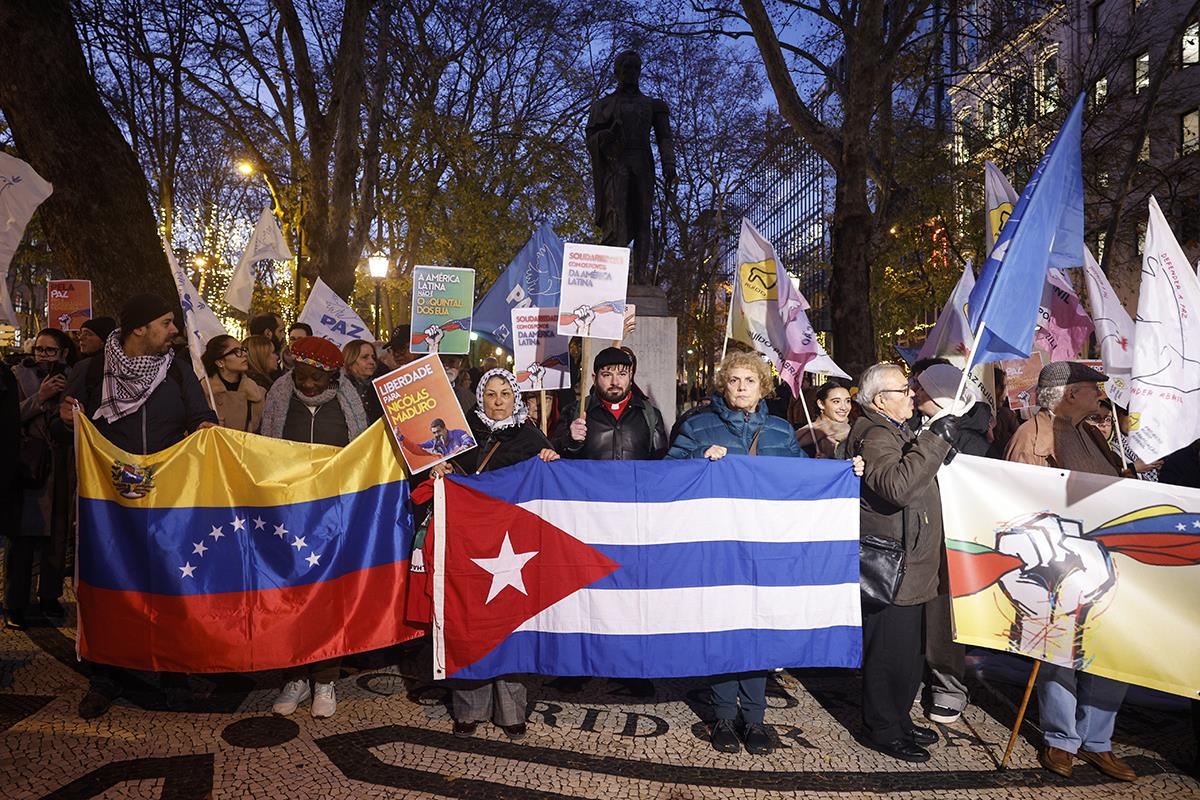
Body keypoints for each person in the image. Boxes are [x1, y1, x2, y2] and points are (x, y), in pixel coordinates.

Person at [58, 293, 219, 718]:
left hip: (170, 504)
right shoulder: (91, 372)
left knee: (170, 586)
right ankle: (106, 675)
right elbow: (64, 428)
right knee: (110, 587)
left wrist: (205, 426)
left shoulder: (179, 374)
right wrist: (63, 418)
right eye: (166, 323)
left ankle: (174, 675)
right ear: (139, 329)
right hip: (108, 507)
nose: (173, 331)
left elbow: (204, 421)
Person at [666, 352, 813, 756]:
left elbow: (805, 479)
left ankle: (756, 718)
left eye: (750, 380)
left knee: (757, 631)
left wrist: (845, 471)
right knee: (724, 629)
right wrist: (699, 459)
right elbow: (667, 474)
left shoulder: (782, 431)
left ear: (763, 386)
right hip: (717, 550)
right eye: (734, 380)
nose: (742, 387)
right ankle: (724, 717)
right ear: (723, 384)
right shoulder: (696, 427)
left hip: (764, 552)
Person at [1003, 361, 1137, 782]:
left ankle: (1098, 742)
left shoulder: (1092, 433)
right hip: (1059, 562)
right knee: (1060, 653)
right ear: (1068, 393)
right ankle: (1061, 739)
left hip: (1106, 559)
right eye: (1093, 388)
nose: (1101, 395)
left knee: (1111, 653)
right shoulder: (1032, 436)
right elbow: (1015, 504)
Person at [429, 368, 559, 740]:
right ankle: (469, 709)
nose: (498, 401)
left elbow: (552, 487)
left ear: (515, 398)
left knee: (510, 624)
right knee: (467, 620)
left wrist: (551, 459)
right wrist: (441, 468)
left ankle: (511, 711)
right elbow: (439, 467)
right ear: (481, 397)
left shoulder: (532, 436)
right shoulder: (460, 433)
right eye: (491, 394)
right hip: (467, 544)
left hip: (513, 548)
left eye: (505, 394)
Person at [846, 362, 961, 763]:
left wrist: (933, 449)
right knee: (887, 652)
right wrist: (932, 444)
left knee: (909, 652)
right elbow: (895, 487)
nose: (913, 394)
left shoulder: (895, 429)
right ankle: (881, 727)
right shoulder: (875, 434)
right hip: (891, 563)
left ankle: (898, 716)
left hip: (912, 561)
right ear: (881, 400)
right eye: (905, 389)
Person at [261, 335, 368, 719]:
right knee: (290, 596)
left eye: (316, 379)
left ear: (332, 377)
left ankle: (325, 678)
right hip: (287, 515)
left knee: (327, 597)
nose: (307, 385)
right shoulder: (279, 397)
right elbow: (263, 450)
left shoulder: (348, 402)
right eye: (301, 377)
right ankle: (294, 677)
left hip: (332, 516)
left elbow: (361, 455)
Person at [7, 328, 78, 629]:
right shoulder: (16, 375)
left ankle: (49, 596)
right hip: (31, 467)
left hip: (64, 465)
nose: (42, 356)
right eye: (39, 349)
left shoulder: (76, 376)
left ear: (63, 353)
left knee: (57, 535)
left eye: (50, 351)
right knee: (24, 539)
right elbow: (9, 416)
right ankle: (16, 603)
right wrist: (41, 396)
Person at [552, 346, 667, 461]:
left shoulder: (650, 414)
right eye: (607, 375)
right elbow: (555, 456)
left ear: (630, 377)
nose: (615, 382)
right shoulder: (574, 411)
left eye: (622, 374)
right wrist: (570, 440)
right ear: (594, 378)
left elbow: (661, 464)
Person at [200, 335, 264, 433]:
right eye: (236, 352)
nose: (244, 354)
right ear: (220, 362)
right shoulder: (203, 392)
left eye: (243, 349)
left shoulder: (258, 393)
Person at [795, 380, 853, 458]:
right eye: (836, 401)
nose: (844, 407)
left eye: (848, 401)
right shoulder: (807, 433)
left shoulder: (854, 432)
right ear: (821, 404)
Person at [341, 339, 383, 424]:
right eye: (365, 357)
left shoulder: (380, 387)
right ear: (350, 359)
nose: (372, 362)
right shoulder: (338, 389)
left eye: (373, 357)